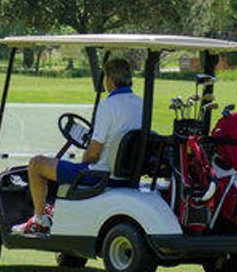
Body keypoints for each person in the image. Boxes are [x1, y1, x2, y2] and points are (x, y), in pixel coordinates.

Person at [11, 58, 142, 235]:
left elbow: (93, 154)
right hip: (126, 174)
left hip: (98, 174)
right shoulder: (141, 105)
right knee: (61, 164)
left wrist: (83, 161)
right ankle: (54, 212)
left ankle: (40, 220)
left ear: (109, 79)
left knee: (36, 164)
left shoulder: (108, 106)